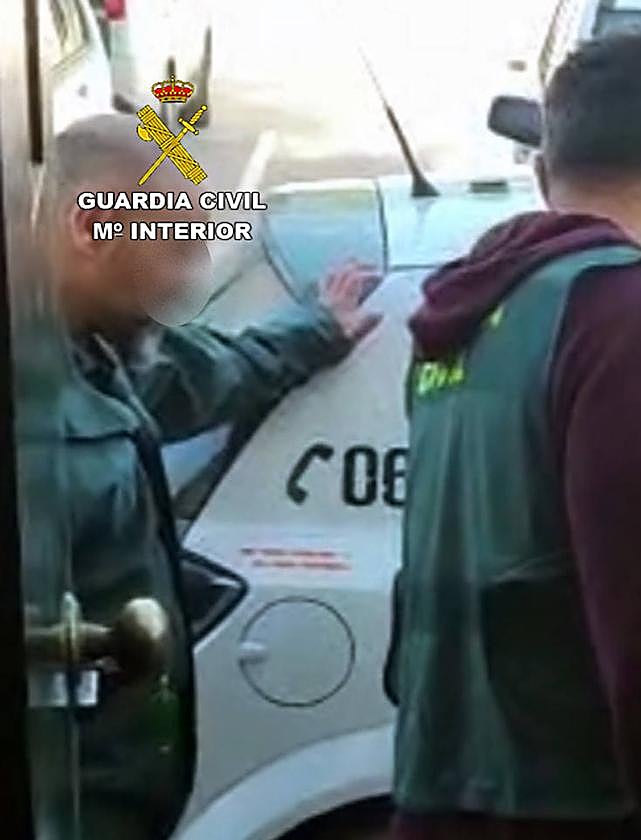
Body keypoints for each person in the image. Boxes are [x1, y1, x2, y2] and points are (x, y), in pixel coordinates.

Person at [387, 33, 641, 840]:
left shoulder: (470, 320)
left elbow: (546, 565)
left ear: (544, 176)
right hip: (581, 811)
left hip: (445, 800)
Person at [42, 114, 379, 839]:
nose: (187, 281)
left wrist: (314, 333)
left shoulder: (89, 350)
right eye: (175, 249)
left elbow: (191, 375)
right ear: (91, 230)